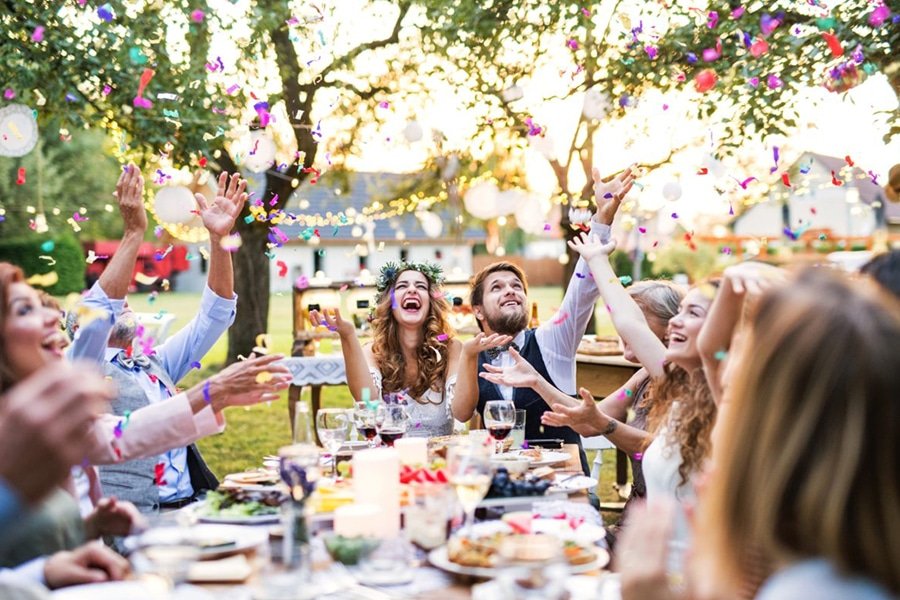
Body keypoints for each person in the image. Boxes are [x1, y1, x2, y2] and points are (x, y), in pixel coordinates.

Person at [618, 269, 900, 599]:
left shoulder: (809, 588)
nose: (721, 367)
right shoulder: (846, 556)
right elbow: (710, 351)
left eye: (743, 346)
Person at [77, 166, 268, 512]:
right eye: (113, 304)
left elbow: (216, 315)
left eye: (125, 303)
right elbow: (100, 308)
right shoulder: (82, 374)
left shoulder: (156, 363)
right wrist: (134, 233)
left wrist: (218, 239)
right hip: (136, 519)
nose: (123, 305)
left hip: (195, 506)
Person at [455, 166, 636, 472]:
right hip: (501, 480)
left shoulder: (552, 341)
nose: (510, 291)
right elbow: (462, 416)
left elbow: (582, 288)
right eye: (497, 288)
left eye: (516, 287)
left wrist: (602, 220)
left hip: (563, 481)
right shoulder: (473, 355)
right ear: (478, 310)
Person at [555, 231, 717, 568]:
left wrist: (598, 260)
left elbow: (631, 323)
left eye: (693, 313)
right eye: (678, 312)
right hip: (651, 560)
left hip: (690, 571)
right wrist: (597, 259)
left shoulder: (719, 393)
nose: (675, 320)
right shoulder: (671, 379)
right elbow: (629, 321)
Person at [479, 279, 684, 510]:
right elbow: (586, 423)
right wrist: (536, 380)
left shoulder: (688, 380)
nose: (622, 328)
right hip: (638, 514)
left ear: (672, 327)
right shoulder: (642, 377)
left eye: (634, 320)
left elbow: (661, 451)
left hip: (668, 519)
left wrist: (604, 423)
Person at [311, 261, 472, 437]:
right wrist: (348, 335)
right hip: (387, 460)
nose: (412, 290)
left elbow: (463, 414)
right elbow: (368, 404)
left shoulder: (451, 348)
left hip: (438, 462)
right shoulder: (372, 352)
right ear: (390, 303)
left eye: (421, 286)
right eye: (402, 286)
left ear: (431, 303)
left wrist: (470, 356)